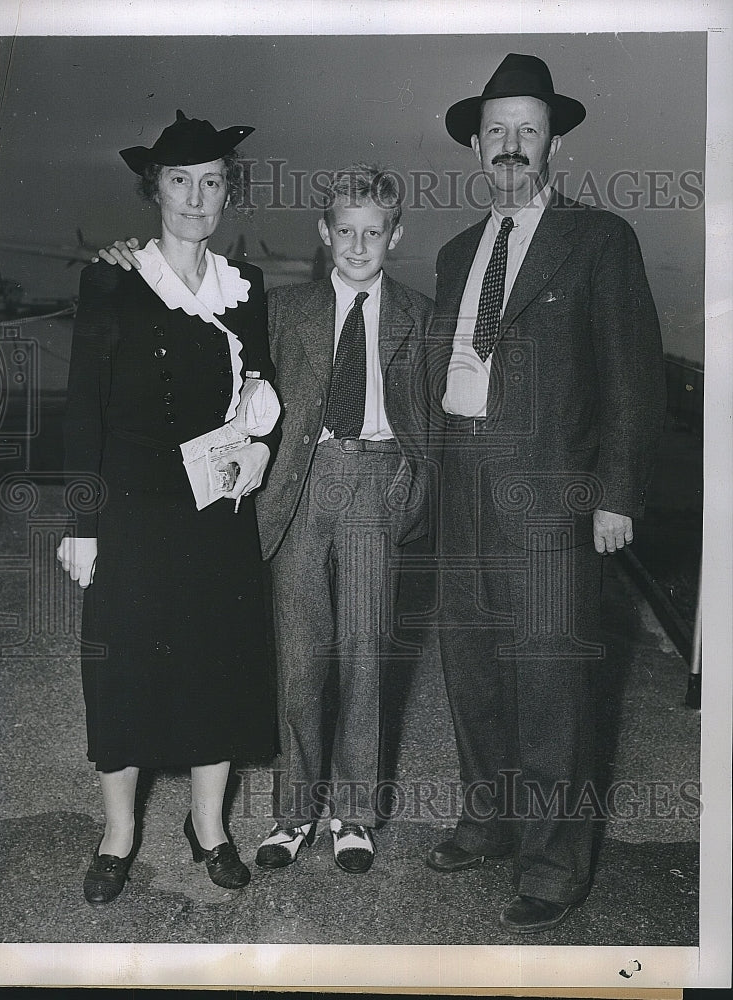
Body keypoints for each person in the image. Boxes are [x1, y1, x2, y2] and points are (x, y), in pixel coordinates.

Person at [96, 165, 433, 874]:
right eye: (344, 231)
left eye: (373, 232)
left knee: (365, 656)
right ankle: (293, 814)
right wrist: (123, 257)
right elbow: (233, 380)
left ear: (395, 236)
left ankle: (354, 814)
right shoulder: (284, 308)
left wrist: (410, 491)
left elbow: (433, 422)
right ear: (322, 234)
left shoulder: (418, 315)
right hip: (296, 488)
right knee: (299, 657)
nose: (357, 245)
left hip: (374, 483)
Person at [426, 53, 666, 932]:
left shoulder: (599, 239)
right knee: (474, 669)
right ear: (475, 149)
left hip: (552, 497)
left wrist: (617, 495)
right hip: (460, 485)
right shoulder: (457, 253)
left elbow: (633, 380)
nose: (511, 145)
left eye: (527, 129)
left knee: (552, 683)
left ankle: (554, 863)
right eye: (496, 131)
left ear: (553, 141)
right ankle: (487, 822)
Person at [57, 110, 279, 904]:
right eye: (180, 181)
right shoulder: (111, 279)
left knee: (214, 664)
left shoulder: (244, 287)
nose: (196, 197)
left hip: (214, 508)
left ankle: (210, 826)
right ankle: (119, 833)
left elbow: (260, 390)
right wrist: (82, 524)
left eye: (212, 181)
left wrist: (261, 445)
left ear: (228, 193)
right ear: (155, 190)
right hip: (129, 509)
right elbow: (83, 408)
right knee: (121, 671)